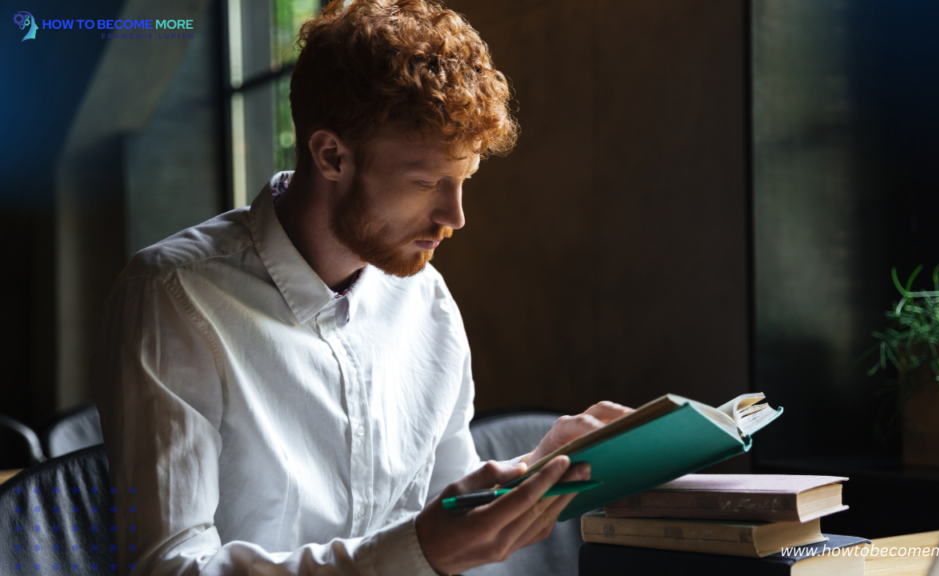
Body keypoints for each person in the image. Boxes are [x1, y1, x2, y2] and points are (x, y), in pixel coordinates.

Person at [93, 0, 632, 574]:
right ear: (331, 155)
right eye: (426, 182)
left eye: (463, 180)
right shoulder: (173, 295)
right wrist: (413, 552)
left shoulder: (427, 302)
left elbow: (444, 520)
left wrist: (539, 472)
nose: (455, 216)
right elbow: (168, 567)